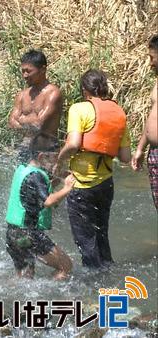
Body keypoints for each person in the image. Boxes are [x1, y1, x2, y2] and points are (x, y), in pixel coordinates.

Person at [53, 69, 131, 270]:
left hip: (82, 185)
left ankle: (94, 288)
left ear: (84, 90)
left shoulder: (79, 109)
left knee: (86, 241)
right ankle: (108, 276)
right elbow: (125, 157)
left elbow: (73, 144)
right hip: (106, 184)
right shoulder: (119, 113)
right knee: (101, 235)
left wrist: (59, 161)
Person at [5, 136, 75, 280]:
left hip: (13, 234)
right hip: (29, 234)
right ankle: (50, 296)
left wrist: (57, 179)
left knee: (24, 278)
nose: (56, 163)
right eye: (54, 158)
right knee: (66, 267)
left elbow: (35, 191)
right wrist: (67, 187)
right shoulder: (37, 176)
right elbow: (48, 201)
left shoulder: (23, 169)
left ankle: (14, 300)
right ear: (42, 156)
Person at [9, 50, 64, 162]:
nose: (25, 75)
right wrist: (30, 122)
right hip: (25, 149)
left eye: (28, 71)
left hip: (47, 151)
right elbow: (11, 124)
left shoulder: (53, 93)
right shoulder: (22, 95)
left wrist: (21, 119)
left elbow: (38, 124)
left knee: (46, 179)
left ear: (43, 69)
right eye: (23, 71)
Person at [131, 35, 158, 210]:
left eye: (152, 57)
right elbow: (152, 117)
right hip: (154, 153)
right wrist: (140, 148)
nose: (150, 62)